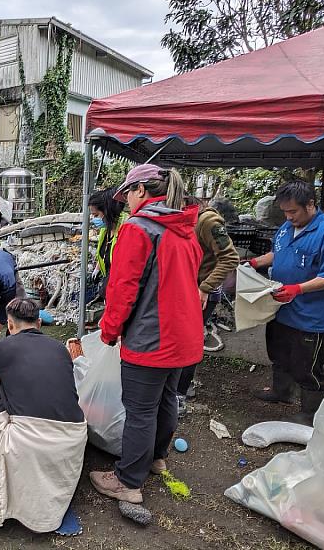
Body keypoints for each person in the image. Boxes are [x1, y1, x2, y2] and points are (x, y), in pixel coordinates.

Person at [89, 164, 203, 506]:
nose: (125, 203)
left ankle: (128, 481)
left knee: (139, 410)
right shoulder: (184, 228)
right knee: (166, 399)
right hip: (184, 336)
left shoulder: (139, 229)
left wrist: (109, 332)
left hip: (152, 337)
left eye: (128, 195)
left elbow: (123, 289)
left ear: (141, 191)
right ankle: (155, 457)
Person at [0, 298, 87, 532]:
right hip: (73, 438)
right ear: (38, 323)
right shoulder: (60, 348)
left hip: (29, 440)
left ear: (10, 325)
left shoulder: (1, 348)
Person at [248, 181, 324, 425]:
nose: (288, 217)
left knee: (307, 364)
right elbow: (279, 253)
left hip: (312, 314)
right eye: (285, 211)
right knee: (279, 353)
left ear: (310, 204)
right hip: (282, 308)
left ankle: (310, 413)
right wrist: (255, 263)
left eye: (293, 211)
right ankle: (281, 392)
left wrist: (298, 289)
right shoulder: (286, 228)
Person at [176, 196, 240, 416]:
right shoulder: (187, 222)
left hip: (201, 295)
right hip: (186, 291)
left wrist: (205, 287)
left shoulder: (208, 221)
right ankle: (178, 389)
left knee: (188, 343)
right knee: (179, 342)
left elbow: (230, 258)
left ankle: (180, 396)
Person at [88, 188, 126, 299]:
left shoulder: (126, 229)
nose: (94, 219)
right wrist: (98, 269)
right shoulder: (105, 230)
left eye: (96, 215)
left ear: (107, 211)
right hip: (109, 284)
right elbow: (106, 251)